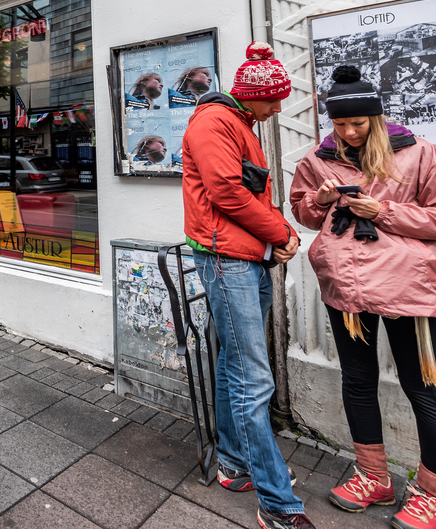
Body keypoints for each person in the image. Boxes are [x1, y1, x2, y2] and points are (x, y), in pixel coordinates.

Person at [289, 65, 436, 529]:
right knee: (356, 381)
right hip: (345, 289)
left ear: (376, 117)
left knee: (424, 390)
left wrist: (384, 211)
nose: (349, 133)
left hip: (407, 290)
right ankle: (374, 476)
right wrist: (321, 199)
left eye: (358, 124)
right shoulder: (319, 159)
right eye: (339, 124)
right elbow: (302, 212)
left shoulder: (419, 155)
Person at [180, 42, 311, 529]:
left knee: (236, 366)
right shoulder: (216, 122)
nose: (278, 108)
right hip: (225, 260)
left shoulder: (240, 123)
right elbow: (228, 192)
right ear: (250, 96)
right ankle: (278, 504)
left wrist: (270, 243)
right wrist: (281, 234)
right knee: (255, 379)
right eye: (273, 100)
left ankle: (235, 463)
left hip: (242, 257)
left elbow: (249, 191)